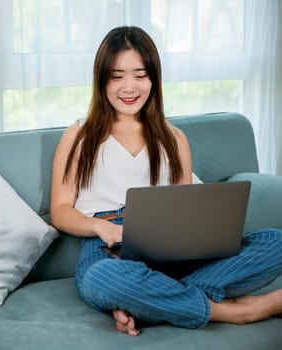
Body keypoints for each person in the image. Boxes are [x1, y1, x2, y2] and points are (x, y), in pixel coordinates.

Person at [50, 26, 282, 336]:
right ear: (101, 79)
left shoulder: (175, 139)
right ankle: (234, 312)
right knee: (103, 280)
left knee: (275, 242)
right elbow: (61, 210)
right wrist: (100, 226)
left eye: (140, 75)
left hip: (166, 247)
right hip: (106, 248)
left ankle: (149, 303)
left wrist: (208, 233)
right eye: (117, 76)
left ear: (154, 79)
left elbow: (183, 210)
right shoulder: (79, 134)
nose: (129, 87)